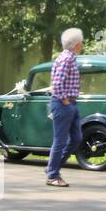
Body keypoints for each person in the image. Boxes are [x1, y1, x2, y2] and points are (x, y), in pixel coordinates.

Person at [46, 27, 85, 187]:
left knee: (76, 138)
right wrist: (65, 100)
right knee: (60, 140)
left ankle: (52, 167)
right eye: (81, 42)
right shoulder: (66, 59)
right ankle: (52, 175)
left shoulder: (70, 57)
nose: (82, 44)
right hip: (63, 103)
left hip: (70, 103)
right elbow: (57, 83)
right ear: (76, 44)